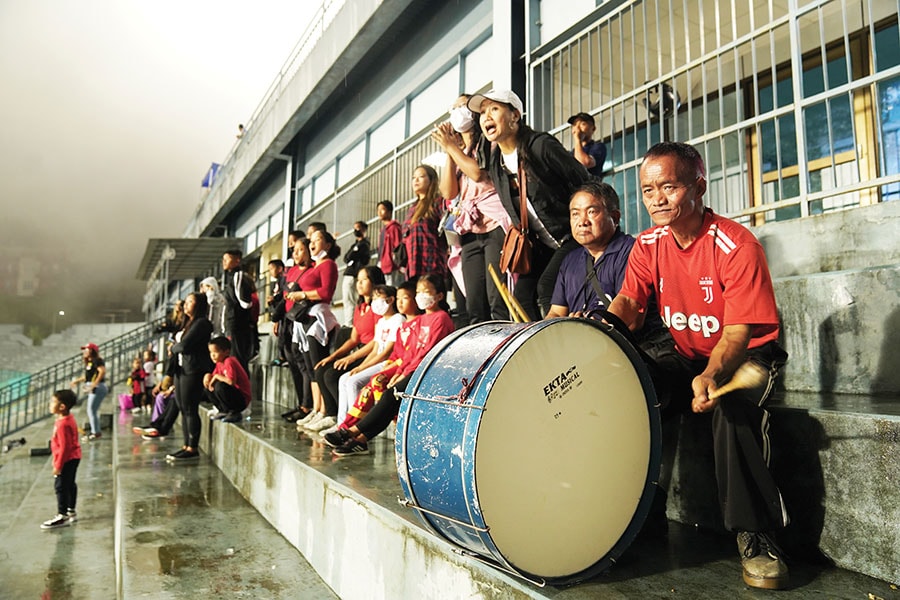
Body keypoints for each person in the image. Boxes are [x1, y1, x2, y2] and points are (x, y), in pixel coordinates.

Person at [606, 141, 790, 590]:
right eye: (648, 191)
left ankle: (758, 535)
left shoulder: (735, 245)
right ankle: (623, 513)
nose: (656, 200)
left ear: (699, 186)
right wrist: (598, 332)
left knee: (733, 410)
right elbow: (630, 301)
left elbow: (736, 336)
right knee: (623, 382)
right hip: (686, 354)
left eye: (668, 187)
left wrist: (711, 376)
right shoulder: (648, 244)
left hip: (747, 356)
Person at [467, 89, 595, 320]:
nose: (486, 117)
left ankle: (555, 343)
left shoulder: (540, 145)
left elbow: (583, 179)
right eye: (483, 112)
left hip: (571, 235)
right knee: (520, 297)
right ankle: (535, 348)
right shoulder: (496, 164)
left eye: (494, 109)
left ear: (515, 115)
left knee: (547, 288)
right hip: (541, 244)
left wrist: (586, 221)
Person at [326, 274, 454, 456]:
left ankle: (352, 432)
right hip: (412, 369)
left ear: (440, 296)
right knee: (389, 398)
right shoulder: (419, 321)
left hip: (427, 371)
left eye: (426, 292)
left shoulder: (440, 318)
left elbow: (427, 354)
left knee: (389, 397)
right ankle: (359, 440)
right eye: (418, 292)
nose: (420, 296)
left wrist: (403, 374)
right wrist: (399, 371)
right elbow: (410, 353)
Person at [432, 94, 512, 323]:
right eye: (453, 108)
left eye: (462, 106)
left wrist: (452, 147)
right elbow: (449, 192)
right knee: (474, 302)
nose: (457, 111)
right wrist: (451, 151)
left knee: (497, 297)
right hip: (469, 232)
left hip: (495, 224)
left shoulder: (489, 141)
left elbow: (477, 173)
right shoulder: (459, 151)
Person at [325, 281, 417, 435]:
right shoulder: (381, 321)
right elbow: (375, 349)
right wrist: (359, 367)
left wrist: (362, 368)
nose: (375, 302)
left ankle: (357, 426)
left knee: (354, 382)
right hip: (377, 360)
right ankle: (342, 423)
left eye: (378, 298)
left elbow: (386, 352)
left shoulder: (398, 319)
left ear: (390, 300)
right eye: (373, 298)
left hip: (386, 363)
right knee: (344, 379)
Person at [308, 265, 384, 432]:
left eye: (364, 280)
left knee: (332, 375)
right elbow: (353, 339)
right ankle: (331, 414)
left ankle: (347, 420)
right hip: (359, 351)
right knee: (322, 369)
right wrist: (333, 356)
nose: (359, 284)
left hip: (372, 353)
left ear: (375, 282)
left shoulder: (378, 307)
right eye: (358, 280)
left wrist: (351, 358)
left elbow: (375, 341)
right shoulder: (360, 308)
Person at [290, 229, 341, 430]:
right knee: (312, 368)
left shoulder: (328, 264)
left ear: (328, 245)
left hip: (319, 317)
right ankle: (319, 409)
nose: (312, 243)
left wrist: (303, 295)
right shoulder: (314, 265)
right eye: (311, 240)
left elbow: (326, 292)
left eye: (318, 239)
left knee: (319, 365)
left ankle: (330, 411)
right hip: (307, 317)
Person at [167, 291, 214, 461]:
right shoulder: (188, 322)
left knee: (190, 408)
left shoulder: (202, 323)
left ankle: (192, 447)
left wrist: (173, 348)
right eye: (185, 301)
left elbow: (184, 346)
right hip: (182, 368)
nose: (186, 304)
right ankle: (186, 444)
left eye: (190, 302)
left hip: (193, 370)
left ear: (199, 305)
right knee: (181, 406)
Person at [41, 389, 81, 529]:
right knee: (70, 484)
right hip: (74, 457)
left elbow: (65, 447)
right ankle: (71, 510)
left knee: (61, 486)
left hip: (66, 459)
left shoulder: (62, 424)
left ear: (62, 406)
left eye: (53, 402)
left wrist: (58, 465)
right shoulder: (67, 418)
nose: (50, 404)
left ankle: (62, 515)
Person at [401, 165, 448, 281]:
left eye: (421, 176)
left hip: (432, 264)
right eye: (413, 177)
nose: (416, 180)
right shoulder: (412, 208)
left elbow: (447, 231)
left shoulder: (438, 202)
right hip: (412, 266)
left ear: (431, 180)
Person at [203, 336, 252, 423]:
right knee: (208, 386)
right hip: (233, 395)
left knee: (220, 386)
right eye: (211, 352)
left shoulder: (230, 361)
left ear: (226, 352)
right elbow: (213, 377)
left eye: (216, 352)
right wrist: (207, 377)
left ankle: (235, 412)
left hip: (241, 400)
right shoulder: (219, 363)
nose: (212, 355)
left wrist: (216, 376)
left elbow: (231, 381)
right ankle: (223, 410)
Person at [221, 250, 254, 369]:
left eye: (227, 259)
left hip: (237, 325)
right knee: (232, 359)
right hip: (231, 324)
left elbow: (245, 302)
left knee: (238, 360)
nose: (223, 262)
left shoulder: (238, 275)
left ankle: (242, 386)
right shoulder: (229, 277)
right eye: (223, 259)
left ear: (237, 260)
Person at [70, 342, 107, 441]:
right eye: (84, 350)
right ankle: (95, 431)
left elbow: (102, 371)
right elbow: (87, 377)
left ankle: (96, 433)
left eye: (87, 350)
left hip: (98, 387)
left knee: (91, 410)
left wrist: (94, 384)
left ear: (92, 351)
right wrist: (77, 381)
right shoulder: (90, 363)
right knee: (91, 410)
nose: (84, 352)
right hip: (93, 387)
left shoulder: (97, 360)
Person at [341, 221, 371, 325]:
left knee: (351, 300)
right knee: (347, 299)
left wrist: (354, 254)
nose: (356, 231)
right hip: (349, 273)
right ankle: (348, 322)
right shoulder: (355, 244)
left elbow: (360, 257)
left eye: (358, 228)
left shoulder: (364, 244)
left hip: (354, 274)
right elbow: (347, 257)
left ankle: (350, 324)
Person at [568, 112, 607, 179]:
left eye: (582, 124)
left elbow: (585, 162)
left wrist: (577, 139)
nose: (578, 129)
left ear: (593, 128)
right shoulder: (571, 153)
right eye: (574, 125)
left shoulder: (598, 147)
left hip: (590, 187)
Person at [266, 259, 288, 366]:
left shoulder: (284, 280)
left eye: (271, 269)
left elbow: (282, 296)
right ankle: (281, 356)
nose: (270, 271)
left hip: (283, 313)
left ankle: (283, 357)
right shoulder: (277, 282)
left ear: (279, 269)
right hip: (279, 313)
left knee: (283, 335)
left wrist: (274, 299)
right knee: (280, 335)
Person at [376, 200, 403, 286]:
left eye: (382, 209)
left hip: (391, 265)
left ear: (389, 212)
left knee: (391, 287)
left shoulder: (394, 228)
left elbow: (398, 246)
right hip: (381, 265)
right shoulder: (383, 230)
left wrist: (397, 263)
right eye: (378, 210)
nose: (379, 212)